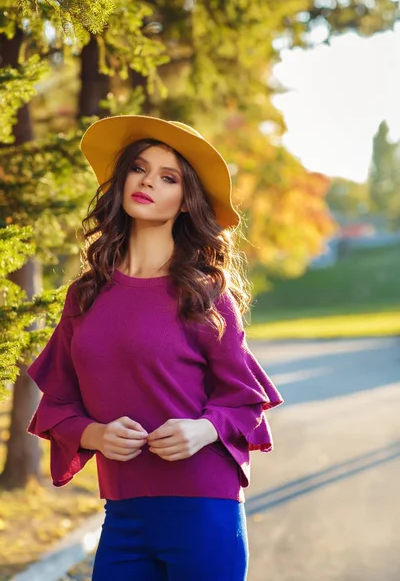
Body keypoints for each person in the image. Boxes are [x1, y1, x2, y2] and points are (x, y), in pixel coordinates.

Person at [26, 115, 284, 581]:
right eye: (139, 169)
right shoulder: (84, 296)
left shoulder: (204, 293)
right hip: (122, 514)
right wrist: (95, 435)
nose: (147, 182)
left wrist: (203, 431)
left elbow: (245, 400)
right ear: (122, 179)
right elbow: (57, 406)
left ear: (186, 203)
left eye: (168, 178)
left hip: (203, 508)